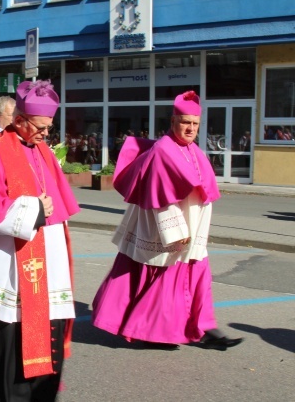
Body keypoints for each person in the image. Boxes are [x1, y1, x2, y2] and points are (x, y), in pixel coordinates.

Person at [91, 90, 244, 351]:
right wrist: (175, 232)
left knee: (196, 278)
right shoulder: (163, 150)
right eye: (185, 122)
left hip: (193, 228)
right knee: (167, 282)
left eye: (195, 124)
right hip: (167, 230)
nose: (190, 128)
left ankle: (203, 326)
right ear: (173, 122)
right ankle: (155, 331)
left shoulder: (194, 150)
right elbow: (160, 198)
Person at [0, 80, 80, 402]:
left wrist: (45, 214)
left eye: (49, 127)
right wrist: (33, 210)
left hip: (47, 266)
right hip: (9, 269)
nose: (47, 133)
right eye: (41, 127)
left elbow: (58, 206)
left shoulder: (43, 151)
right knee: (10, 352)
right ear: (20, 119)